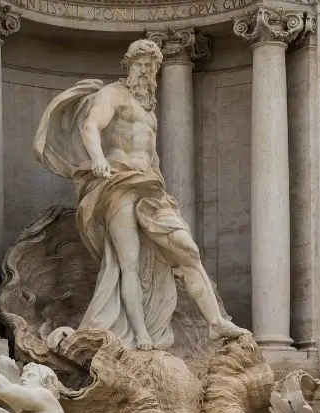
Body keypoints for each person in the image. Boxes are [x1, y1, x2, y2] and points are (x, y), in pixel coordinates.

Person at [34, 39, 248, 350]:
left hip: (149, 186)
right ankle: (140, 335)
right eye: (141, 64)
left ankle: (215, 323)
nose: (147, 71)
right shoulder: (112, 94)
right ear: (128, 65)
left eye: (152, 66)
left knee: (187, 249)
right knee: (128, 262)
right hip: (118, 180)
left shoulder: (149, 110)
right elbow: (91, 126)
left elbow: (152, 155)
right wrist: (97, 158)